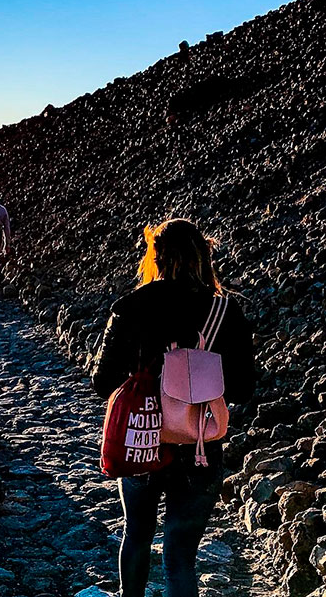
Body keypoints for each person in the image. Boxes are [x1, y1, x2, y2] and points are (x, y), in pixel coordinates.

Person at [91, 218, 255, 597]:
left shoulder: (130, 307)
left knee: (137, 534)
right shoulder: (224, 312)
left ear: (157, 258)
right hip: (200, 445)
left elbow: (102, 382)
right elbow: (245, 388)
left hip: (142, 438)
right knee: (180, 555)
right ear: (203, 256)